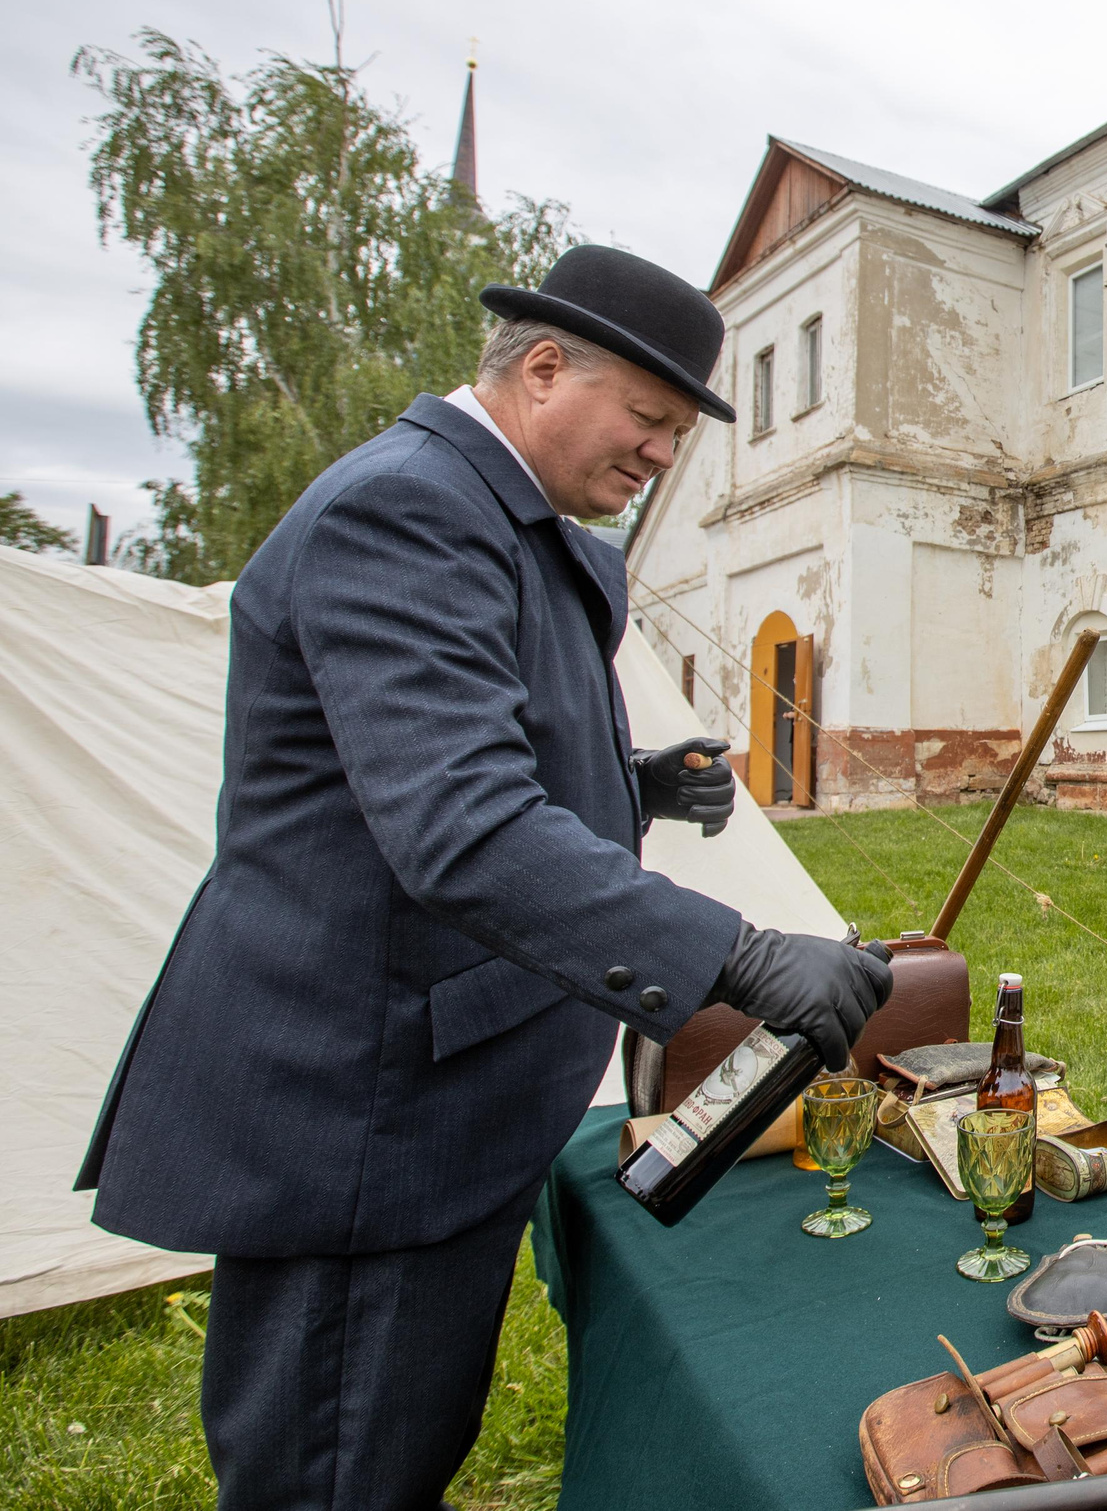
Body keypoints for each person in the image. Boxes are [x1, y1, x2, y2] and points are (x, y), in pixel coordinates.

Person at [77, 246, 895, 1510]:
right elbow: (458, 825)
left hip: (436, 1101)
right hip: (359, 1108)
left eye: (678, 433)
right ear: (544, 368)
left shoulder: (506, 518)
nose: (660, 457)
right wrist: (740, 955)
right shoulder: (404, 508)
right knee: (340, 1472)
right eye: (648, 418)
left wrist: (629, 780)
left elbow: (451, 744)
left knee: (403, 1446)